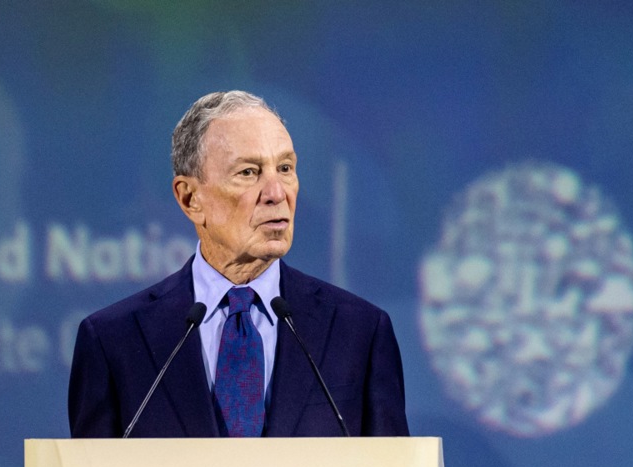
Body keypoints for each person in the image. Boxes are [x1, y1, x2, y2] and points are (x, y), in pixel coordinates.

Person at [68, 90, 409, 438]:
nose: (277, 192)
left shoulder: (360, 333)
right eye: (249, 172)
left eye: (286, 168)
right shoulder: (114, 342)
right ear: (190, 198)